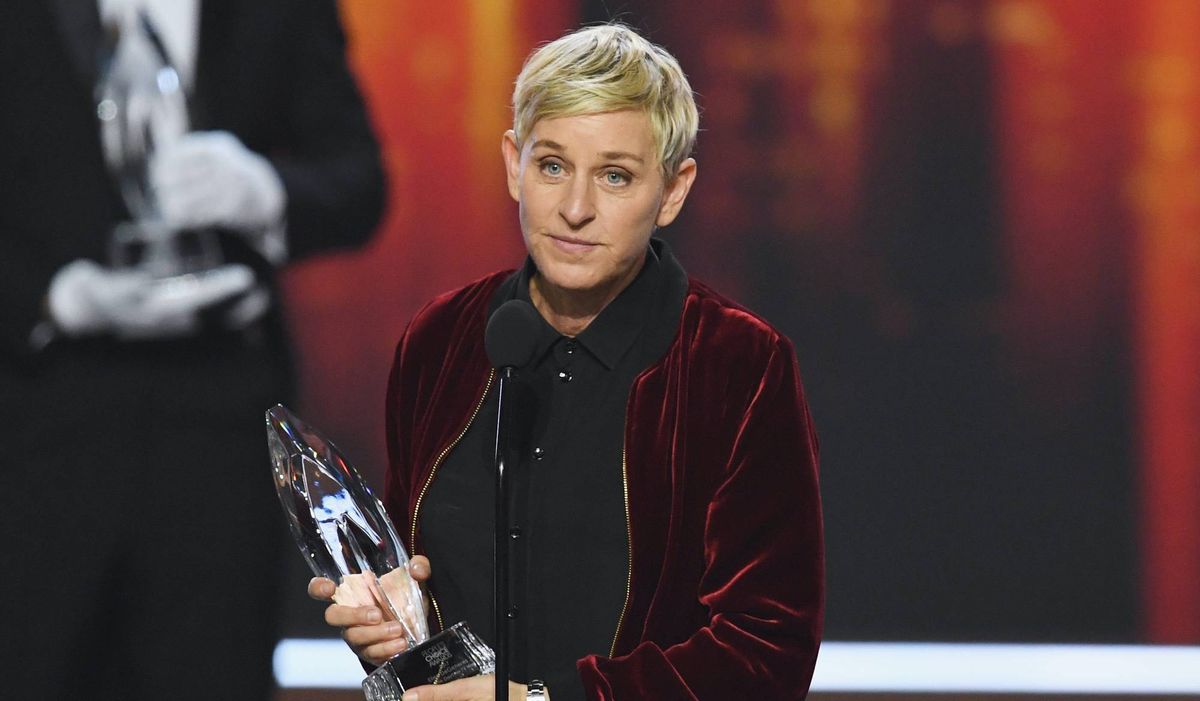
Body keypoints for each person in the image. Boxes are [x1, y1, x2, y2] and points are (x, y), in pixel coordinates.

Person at [310, 24, 823, 700]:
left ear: (673, 190)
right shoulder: (440, 340)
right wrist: (392, 621)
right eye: (552, 165)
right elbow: (421, 588)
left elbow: (767, 649)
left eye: (615, 176)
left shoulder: (737, 365)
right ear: (512, 164)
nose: (576, 208)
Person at [0, 1, 383, 699]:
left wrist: (265, 191)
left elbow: (360, 181)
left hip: (220, 436)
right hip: (35, 432)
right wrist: (56, 297)